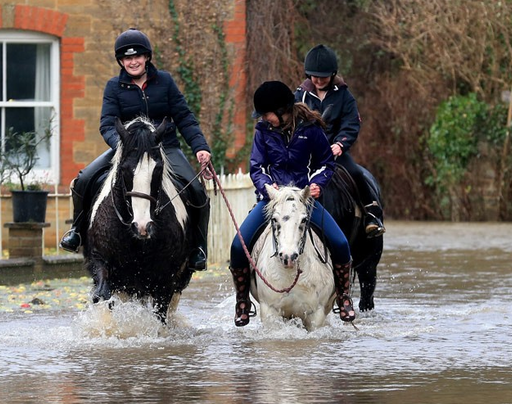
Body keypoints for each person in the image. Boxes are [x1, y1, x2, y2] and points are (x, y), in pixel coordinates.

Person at [59, 28, 212, 272]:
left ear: (147, 57)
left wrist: (200, 148)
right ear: (121, 61)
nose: (133, 61)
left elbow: (185, 118)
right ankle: (77, 232)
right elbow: (107, 124)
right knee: (84, 180)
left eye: (138, 56)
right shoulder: (114, 87)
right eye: (127, 58)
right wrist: (124, 146)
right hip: (126, 150)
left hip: (165, 149)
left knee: (197, 191)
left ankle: (198, 248)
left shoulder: (165, 81)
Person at [230, 80, 356, 326]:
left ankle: (343, 296)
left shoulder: (311, 129)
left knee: (341, 244)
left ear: (282, 110)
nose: (265, 119)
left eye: (267, 114)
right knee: (237, 246)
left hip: (303, 200)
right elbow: (256, 167)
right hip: (272, 201)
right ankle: (243, 301)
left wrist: (317, 183)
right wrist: (268, 188)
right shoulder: (263, 131)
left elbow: (326, 163)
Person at [295, 44, 385, 238]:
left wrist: (340, 144)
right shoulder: (299, 95)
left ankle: (371, 213)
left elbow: (351, 123)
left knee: (356, 172)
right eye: (315, 76)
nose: (318, 80)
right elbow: (294, 124)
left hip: (334, 152)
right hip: (307, 154)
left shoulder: (344, 95)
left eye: (323, 77)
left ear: (333, 74)